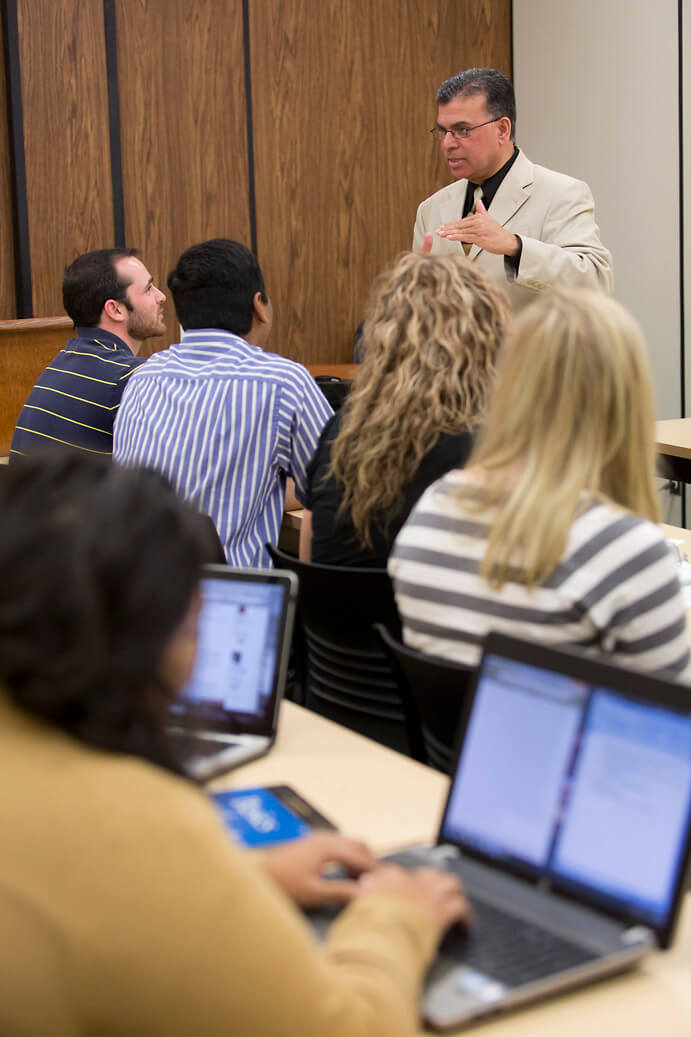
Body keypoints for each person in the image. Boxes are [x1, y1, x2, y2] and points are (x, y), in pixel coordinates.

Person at [0, 454, 468, 1036]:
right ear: (150, 640)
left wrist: (240, 880)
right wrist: (394, 919)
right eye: (194, 628)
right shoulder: (137, 818)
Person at [389, 289, 691, 679]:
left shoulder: (434, 506)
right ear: (627, 398)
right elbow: (670, 724)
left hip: (448, 742)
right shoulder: (622, 550)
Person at [113, 239, 332, 567]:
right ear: (259, 306)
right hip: (231, 604)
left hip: (136, 600)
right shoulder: (282, 381)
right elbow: (336, 489)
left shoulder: (142, 379)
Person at [302, 252, 509, 567]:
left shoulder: (340, 431)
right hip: (424, 615)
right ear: (485, 338)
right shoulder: (484, 448)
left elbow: (309, 564)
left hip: (334, 617)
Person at [413, 68, 613, 309]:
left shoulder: (562, 194)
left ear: (502, 129)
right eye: (443, 132)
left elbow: (596, 281)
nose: (447, 144)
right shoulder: (431, 209)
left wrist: (515, 246)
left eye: (462, 130)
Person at [10, 248, 166, 458]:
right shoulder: (130, 378)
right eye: (148, 289)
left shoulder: (63, 361)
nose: (161, 296)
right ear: (116, 309)